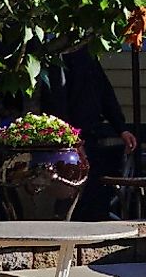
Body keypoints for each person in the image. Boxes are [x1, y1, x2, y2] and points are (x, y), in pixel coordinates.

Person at [43, 50, 135, 221]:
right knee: (73, 191)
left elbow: (105, 92)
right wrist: (72, 140)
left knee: (96, 189)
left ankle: (94, 227)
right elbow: (58, 101)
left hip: (93, 134)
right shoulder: (59, 57)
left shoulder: (89, 54)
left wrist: (121, 128)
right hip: (71, 139)